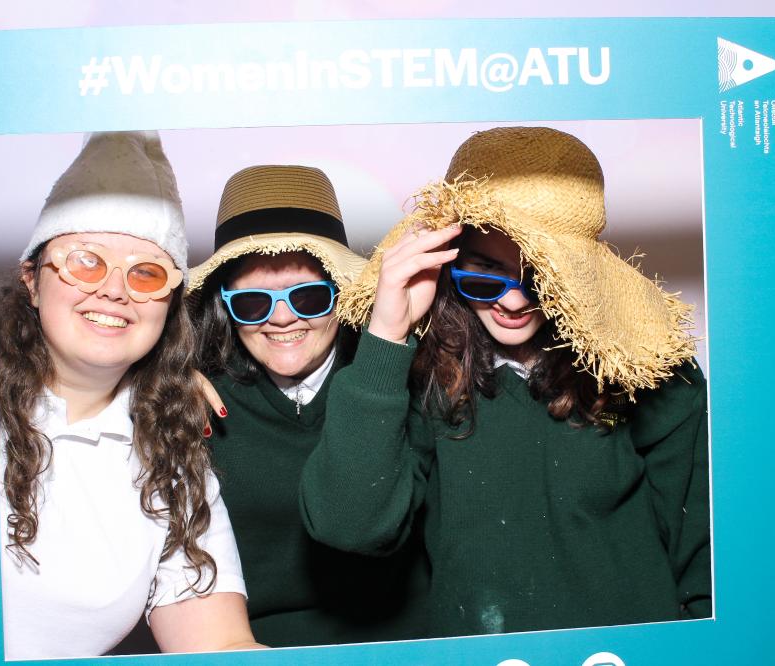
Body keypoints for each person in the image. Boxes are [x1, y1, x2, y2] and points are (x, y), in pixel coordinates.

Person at [0, 131, 257, 661]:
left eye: (146, 273)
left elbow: (221, 646)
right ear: (32, 280)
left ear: (168, 304)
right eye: (86, 261)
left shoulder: (172, 459)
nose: (114, 290)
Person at [300, 126, 712, 638]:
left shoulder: (651, 372)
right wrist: (387, 333)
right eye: (484, 274)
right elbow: (350, 526)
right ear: (448, 263)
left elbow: (705, 555)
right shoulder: (421, 375)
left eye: (538, 279)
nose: (512, 303)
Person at [188, 165, 429, 647]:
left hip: (403, 650)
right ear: (224, 305)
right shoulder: (192, 396)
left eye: (310, 296)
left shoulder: (405, 376)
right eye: (252, 303)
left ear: (342, 294)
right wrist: (154, 382)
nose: (281, 318)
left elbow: (357, 525)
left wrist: (384, 353)